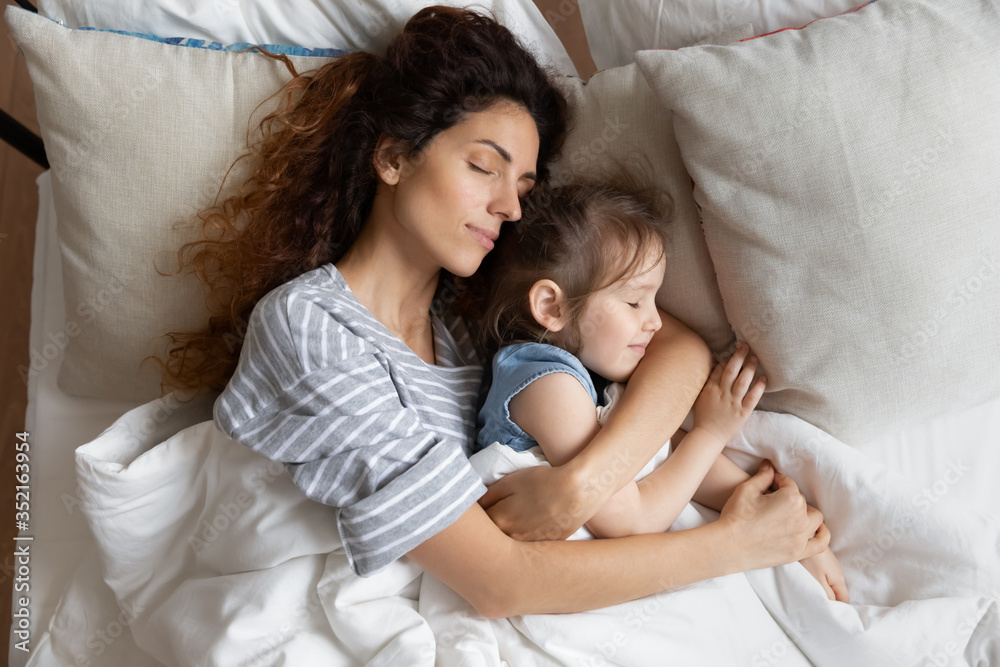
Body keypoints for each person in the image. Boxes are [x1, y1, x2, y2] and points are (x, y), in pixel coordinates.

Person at [157, 5, 829, 618]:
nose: (511, 207)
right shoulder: (308, 328)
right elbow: (501, 582)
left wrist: (580, 487)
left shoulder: (468, 314)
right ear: (393, 157)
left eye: (524, 185)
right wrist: (738, 545)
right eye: (484, 166)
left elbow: (675, 349)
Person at [474, 183, 849, 602]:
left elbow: (662, 455)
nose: (655, 322)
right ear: (551, 307)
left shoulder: (596, 375)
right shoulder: (548, 387)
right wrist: (711, 433)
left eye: (655, 300)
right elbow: (630, 519)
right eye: (635, 303)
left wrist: (790, 526)